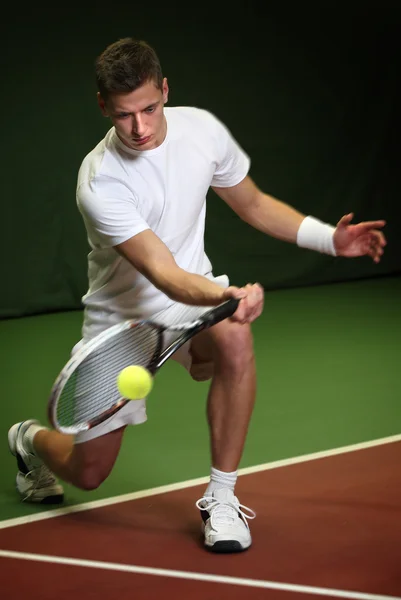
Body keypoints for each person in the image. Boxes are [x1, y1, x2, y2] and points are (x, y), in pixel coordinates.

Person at [8, 37, 386, 553]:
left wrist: (329, 239)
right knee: (89, 472)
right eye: (123, 116)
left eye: (149, 108)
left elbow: (251, 203)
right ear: (103, 108)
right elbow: (161, 270)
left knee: (235, 339)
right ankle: (27, 441)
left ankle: (222, 498)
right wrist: (224, 292)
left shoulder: (201, 131)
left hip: (190, 303)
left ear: (165, 90)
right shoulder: (99, 181)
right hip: (122, 325)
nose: (139, 127)